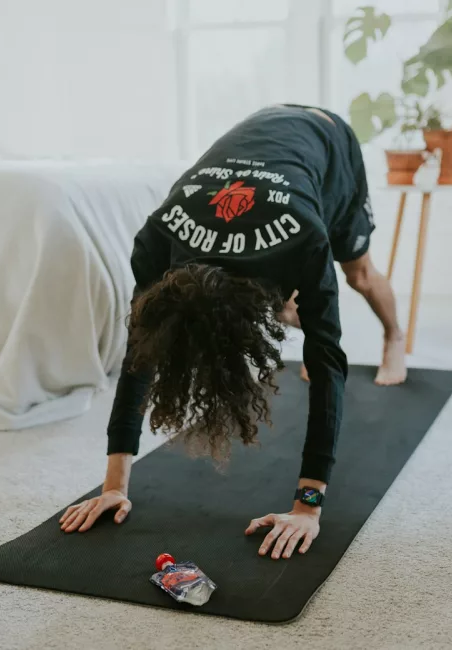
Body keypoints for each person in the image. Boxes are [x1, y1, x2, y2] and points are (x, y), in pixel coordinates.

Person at [59, 105, 406, 560]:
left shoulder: (305, 236)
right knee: (288, 302)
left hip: (326, 139)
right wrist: (114, 485)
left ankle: (394, 337)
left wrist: (308, 507)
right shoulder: (158, 237)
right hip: (260, 146)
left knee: (359, 274)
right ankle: (287, 307)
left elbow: (327, 362)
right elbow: (139, 356)